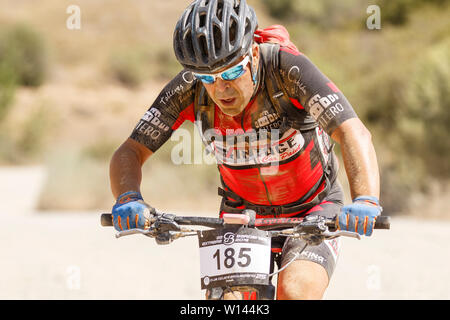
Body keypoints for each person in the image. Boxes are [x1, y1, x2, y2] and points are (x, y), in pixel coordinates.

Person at [109, 0, 382, 300]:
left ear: (252, 54)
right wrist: (128, 196)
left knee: (295, 291)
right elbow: (130, 151)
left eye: (230, 74)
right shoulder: (189, 88)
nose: (220, 90)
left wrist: (365, 198)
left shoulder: (286, 69)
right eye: (207, 79)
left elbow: (352, 131)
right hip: (241, 213)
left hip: (312, 208)